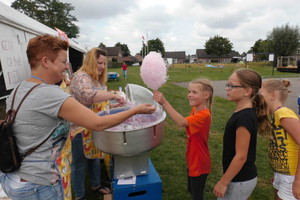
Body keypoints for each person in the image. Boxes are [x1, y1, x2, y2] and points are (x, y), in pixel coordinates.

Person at [0, 34, 156, 200]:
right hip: (38, 184)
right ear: (45, 62)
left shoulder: (19, 89)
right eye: (62, 62)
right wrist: (135, 110)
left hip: (15, 177)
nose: (67, 67)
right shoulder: (50, 94)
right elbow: (98, 123)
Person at [69, 48, 125, 199]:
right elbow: (89, 96)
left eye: (104, 64)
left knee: (95, 157)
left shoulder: (98, 79)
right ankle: (80, 195)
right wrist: (114, 95)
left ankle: (95, 184)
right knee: (79, 165)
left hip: (94, 126)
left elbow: (101, 104)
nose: (102, 66)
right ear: (90, 61)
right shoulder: (81, 77)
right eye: (99, 63)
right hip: (79, 128)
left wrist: (112, 106)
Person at [213, 68, 269, 200]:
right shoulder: (242, 112)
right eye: (227, 85)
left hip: (240, 180)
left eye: (231, 86)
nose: (227, 88)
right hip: (237, 177)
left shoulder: (244, 118)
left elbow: (241, 157)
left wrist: (223, 182)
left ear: (247, 91)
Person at [153, 79, 213, 200]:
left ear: (206, 95)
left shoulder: (204, 115)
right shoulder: (195, 110)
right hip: (192, 158)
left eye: (194, 92)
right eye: (189, 91)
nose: (190, 95)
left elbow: (181, 122)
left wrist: (164, 102)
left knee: (197, 196)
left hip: (199, 162)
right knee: (191, 190)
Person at [259, 79, 300, 200]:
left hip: (292, 176)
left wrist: (298, 180)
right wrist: (278, 173)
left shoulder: (283, 114)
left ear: (273, 95)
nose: (258, 98)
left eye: (260, 94)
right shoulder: (275, 115)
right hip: (282, 174)